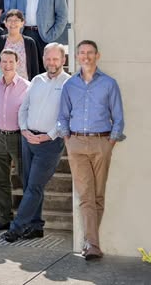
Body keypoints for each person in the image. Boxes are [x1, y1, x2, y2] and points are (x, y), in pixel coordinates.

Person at [56, 40, 126, 260]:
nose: (86, 56)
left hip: (101, 143)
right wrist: (68, 139)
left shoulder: (109, 84)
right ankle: (92, 245)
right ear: (77, 57)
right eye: (82, 53)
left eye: (90, 53)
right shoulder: (70, 85)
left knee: (98, 196)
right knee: (86, 196)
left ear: (97, 55)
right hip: (76, 144)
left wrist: (110, 142)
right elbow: (62, 117)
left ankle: (90, 241)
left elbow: (119, 118)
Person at [2, 43, 71, 243]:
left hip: (49, 144)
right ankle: (35, 226)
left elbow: (66, 117)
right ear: (43, 59)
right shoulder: (37, 80)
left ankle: (16, 228)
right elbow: (24, 108)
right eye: (48, 58)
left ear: (63, 60)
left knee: (33, 187)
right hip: (28, 140)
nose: (51, 62)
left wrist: (48, 135)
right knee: (29, 186)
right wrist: (24, 129)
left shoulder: (69, 83)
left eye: (56, 59)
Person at [0, 49, 31, 233]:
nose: (7, 65)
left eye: (11, 61)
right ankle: (4, 218)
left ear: (17, 63)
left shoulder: (27, 87)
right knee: (1, 180)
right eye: (3, 61)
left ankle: (27, 221)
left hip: (18, 137)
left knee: (25, 179)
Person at [0, 10, 40, 80]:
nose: (13, 23)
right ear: (5, 23)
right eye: (10, 20)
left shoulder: (29, 42)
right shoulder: (0, 40)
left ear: (22, 23)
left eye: (16, 20)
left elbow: (34, 67)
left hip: (24, 84)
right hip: (4, 83)